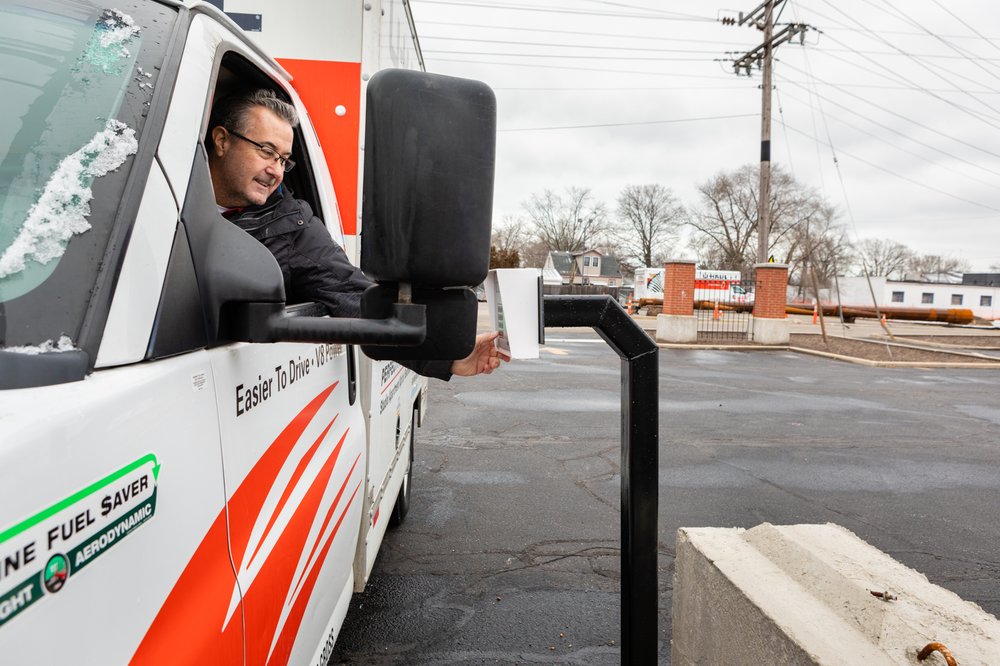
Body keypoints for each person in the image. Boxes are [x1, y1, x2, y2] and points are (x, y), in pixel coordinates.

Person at [206, 89, 506, 379]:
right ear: (221, 141)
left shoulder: (293, 227)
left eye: (284, 160)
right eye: (267, 152)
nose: (277, 171)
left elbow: (355, 297)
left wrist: (450, 357)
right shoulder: (163, 189)